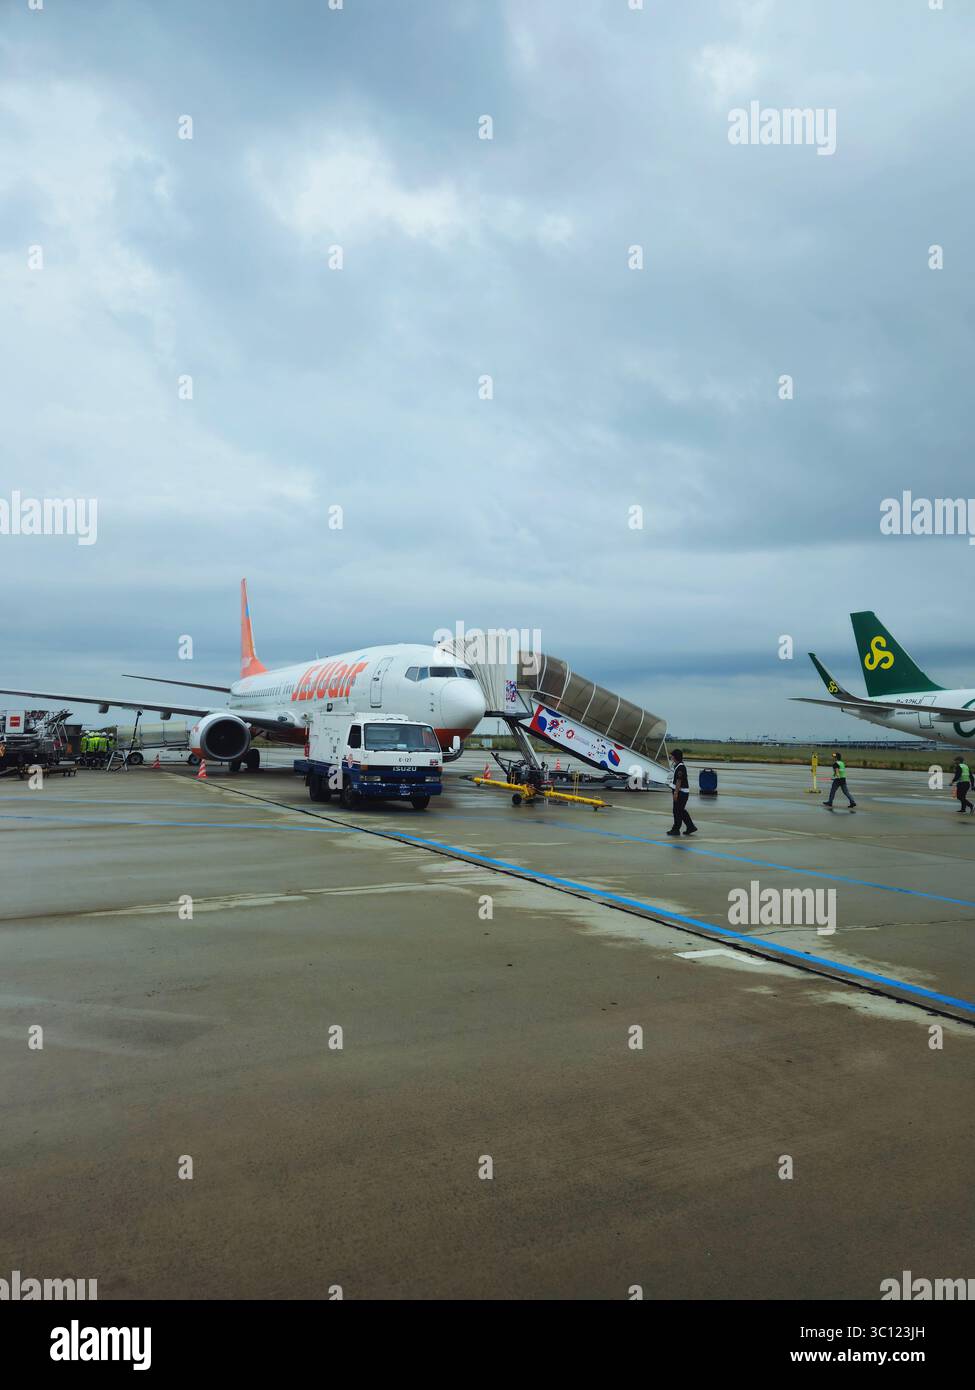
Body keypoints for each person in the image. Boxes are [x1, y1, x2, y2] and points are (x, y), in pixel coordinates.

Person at [667, 748, 698, 837]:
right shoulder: (677, 766)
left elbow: (679, 781)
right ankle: (690, 827)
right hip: (680, 792)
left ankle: (676, 829)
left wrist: (676, 793)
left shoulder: (680, 767)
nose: (671, 757)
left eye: (672, 755)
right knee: (680, 811)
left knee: (677, 811)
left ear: (675, 757)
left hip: (681, 793)